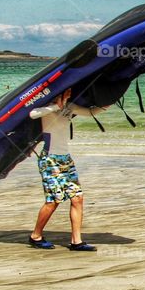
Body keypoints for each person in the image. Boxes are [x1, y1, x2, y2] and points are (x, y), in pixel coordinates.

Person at [26, 88, 107, 251]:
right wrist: (57, 106)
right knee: (53, 201)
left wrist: (108, 103)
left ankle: (76, 241)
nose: (70, 93)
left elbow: (91, 112)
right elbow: (32, 114)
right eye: (67, 91)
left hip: (66, 159)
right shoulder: (47, 107)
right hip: (50, 160)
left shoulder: (70, 107)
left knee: (77, 198)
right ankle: (35, 236)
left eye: (71, 91)